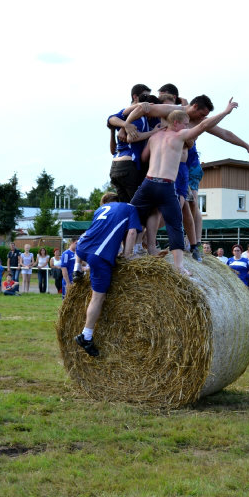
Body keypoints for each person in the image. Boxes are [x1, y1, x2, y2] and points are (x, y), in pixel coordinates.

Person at [130, 101, 238, 274]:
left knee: (131, 216)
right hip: (166, 186)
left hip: (148, 183)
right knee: (174, 225)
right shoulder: (179, 136)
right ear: (176, 123)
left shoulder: (154, 137)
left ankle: (127, 251)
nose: (187, 127)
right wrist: (226, 111)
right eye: (185, 124)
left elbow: (143, 158)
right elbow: (204, 125)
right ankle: (179, 266)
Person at [74, 192, 142, 357]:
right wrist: (127, 256)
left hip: (81, 247)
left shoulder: (101, 209)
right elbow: (132, 233)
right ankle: (86, 336)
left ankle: (76, 268)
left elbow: (91, 233)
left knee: (86, 244)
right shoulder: (130, 208)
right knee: (97, 298)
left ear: (104, 202)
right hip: (99, 255)